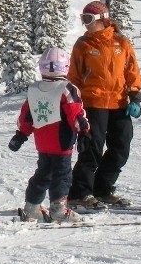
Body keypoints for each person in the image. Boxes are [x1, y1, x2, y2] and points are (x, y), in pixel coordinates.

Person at [67, 1, 141, 208]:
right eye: (83, 19)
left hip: (119, 103)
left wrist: (135, 95)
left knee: (121, 147)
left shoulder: (121, 42)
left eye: (88, 19)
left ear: (102, 18)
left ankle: (102, 188)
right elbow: (73, 76)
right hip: (93, 103)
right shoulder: (83, 45)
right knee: (92, 149)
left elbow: (132, 71)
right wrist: (73, 102)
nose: (85, 24)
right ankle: (79, 192)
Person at [9, 48, 90, 224]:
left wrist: (21, 134)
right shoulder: (67, 88)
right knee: (62, 175)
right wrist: (84, 132)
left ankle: (31, 206)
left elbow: (27, 115)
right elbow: (75, 113)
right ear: (65, 66)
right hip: (61, 142)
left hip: (43, 142)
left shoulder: (35, 89)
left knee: (43, 174)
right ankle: (58, 209)